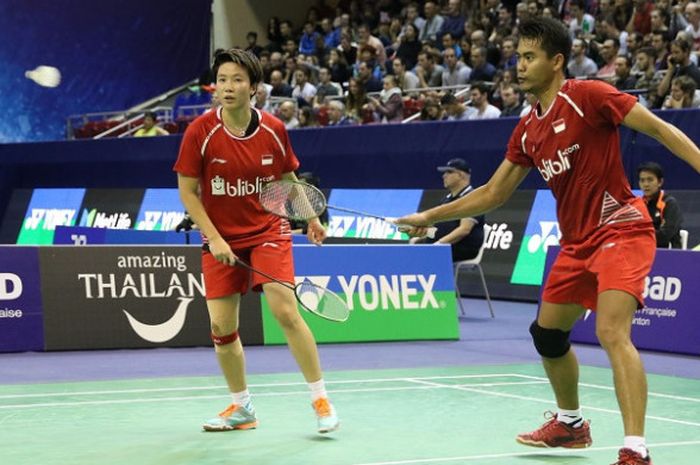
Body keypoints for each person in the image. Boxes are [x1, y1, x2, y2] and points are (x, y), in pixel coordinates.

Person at [398, 17, 700, 465]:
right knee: (547, 334)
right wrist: (428, 215)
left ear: (556, 62)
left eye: (529, 57)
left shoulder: (589, 96)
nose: (518, 66)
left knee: (611, 331)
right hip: (576, 243)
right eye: (518, 57)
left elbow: (659, 129)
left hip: (621, 227)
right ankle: (571, 425)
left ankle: (635, 448)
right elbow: (492, 194)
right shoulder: (527, 130)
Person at [173, 49, 340, 435]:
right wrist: (214, 239)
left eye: (237, 80)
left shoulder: (273, 129)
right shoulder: (200, 131)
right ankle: (242, 406)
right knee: (221, 327)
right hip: (221, 238)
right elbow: (188, 193)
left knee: (284, 310)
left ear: (254, 87)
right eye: (222, 79)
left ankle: (320, 398)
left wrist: (311, 217)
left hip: (268, 230)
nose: (228, 87)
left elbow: (288, 180)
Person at [410, 158, 485, 262]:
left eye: (449, 172)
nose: (444, 176)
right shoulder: (446, 199)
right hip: (443, 246)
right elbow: (436, 225)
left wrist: (439, 244)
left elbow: (464, 230)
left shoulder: (472, 198)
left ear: (461, 175)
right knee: (411, 250)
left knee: (424, 257)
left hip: (461, 247)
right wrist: (421, 238)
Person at [637, 162, 684, 248]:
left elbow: (664, 236)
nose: (646, 184)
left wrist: (639, 233)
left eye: (650, 180)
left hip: (669, 255)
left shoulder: (669, 203)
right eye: (642, 180)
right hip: (644, 252)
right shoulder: (638, 204)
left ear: (660, 182)